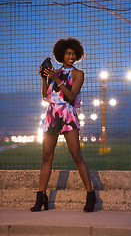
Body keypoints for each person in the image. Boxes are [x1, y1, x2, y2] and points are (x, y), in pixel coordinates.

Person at [30, 38, 96, 212]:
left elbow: (71, 96)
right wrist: (44, 79)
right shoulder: (55, 72)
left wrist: (55, 78)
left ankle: (91, 195)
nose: (71, 56)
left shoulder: (78, 74)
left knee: (76, 154)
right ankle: (40, 196)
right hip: (51, 115)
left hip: (68, 114)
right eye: (68, 53)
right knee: (46, 156)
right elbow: (46, 96)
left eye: (74, 54)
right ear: (61, 55)